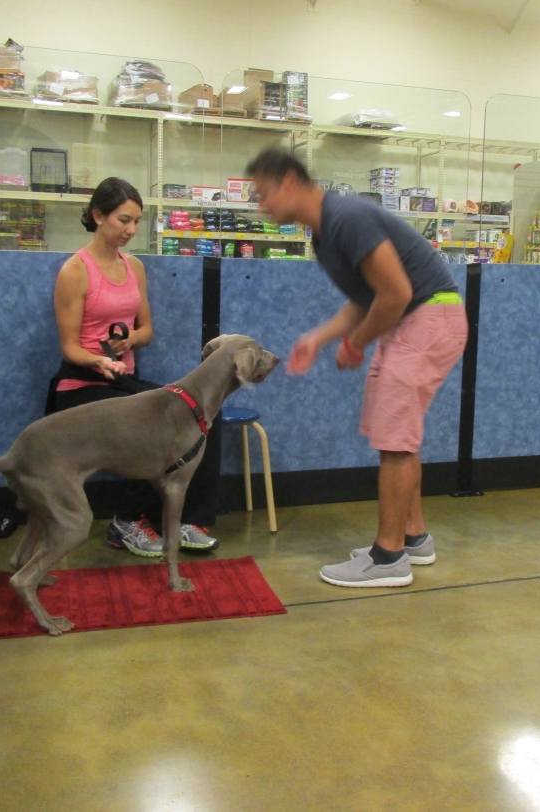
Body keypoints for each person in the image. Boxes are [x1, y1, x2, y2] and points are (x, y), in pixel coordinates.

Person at [246, 149, 468, 588]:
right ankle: (413, 537)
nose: (261, 206)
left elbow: (396, 293)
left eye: (263, 193)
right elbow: (367, 299)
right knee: (397, 436)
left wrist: (356, 342)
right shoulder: (325, 232)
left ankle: (388, 558)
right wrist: (320, 337)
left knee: (395, 440)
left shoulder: (345, 218)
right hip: (419, 320)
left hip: (426, 319)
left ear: (289, 181)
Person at [49, 176, 222, 557]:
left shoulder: (135, 267)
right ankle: (126, 521)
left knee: (203, 413)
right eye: (123, 220)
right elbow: (70, 348)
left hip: (125, 383)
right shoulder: (75, 271)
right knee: (151, 425)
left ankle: (186, 520)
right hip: (83, 385)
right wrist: (100, 359)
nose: (130, 230)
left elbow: (147, 331)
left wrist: (129, 340)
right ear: (98, 216)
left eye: (136, 222)